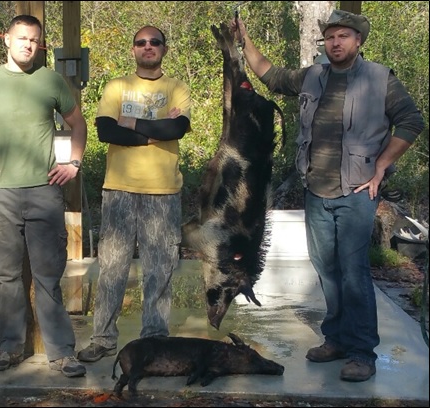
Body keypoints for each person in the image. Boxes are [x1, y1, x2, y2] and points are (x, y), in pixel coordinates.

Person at [231, 10, 424, 382]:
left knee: (354, 274)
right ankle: (334, 339)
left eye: (343, 36)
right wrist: (245, 40)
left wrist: (382, 165)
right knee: (327, 271)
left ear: (358, 41)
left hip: (356, 193)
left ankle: (362, 351)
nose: (335, 43)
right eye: (330, 37)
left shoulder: (380, 79)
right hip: (316, 191)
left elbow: (412, 121)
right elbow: (270, 75)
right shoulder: (313, 76)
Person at [0, 15, 88, 378]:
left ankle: (62, 353)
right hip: (1, 194)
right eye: (21, 38)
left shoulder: (51, 81)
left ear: (39, 44)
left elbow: (78, 123)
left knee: (48, 276)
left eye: (34, 40)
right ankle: (9, 348)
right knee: (7, 277)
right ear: (6, 40)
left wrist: (73, 163)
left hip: (44, 192)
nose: (27, 44)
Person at [75, 26, 192, 363]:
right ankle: (103, 339)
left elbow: (177, 128)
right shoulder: (117, 86)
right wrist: (154, 131)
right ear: (133, 50)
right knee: (112, 268)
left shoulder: (177, 87)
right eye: (141, 43)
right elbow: (105, 131)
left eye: (154, 42)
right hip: (119, 191)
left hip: (164, 192)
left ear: (164, 49)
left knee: (159, 270)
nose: (148, 47)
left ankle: (154, 342)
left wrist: (131, 122)